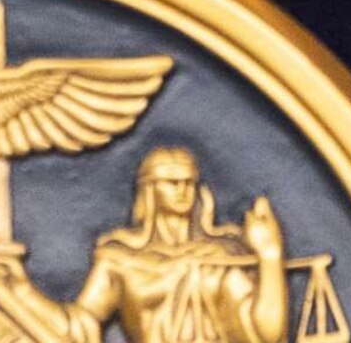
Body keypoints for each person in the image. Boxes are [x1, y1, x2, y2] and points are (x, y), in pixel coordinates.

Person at [64, 147, 287, 343]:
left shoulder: (222, 255)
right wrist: (27, 296)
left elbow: (267, 333)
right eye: (172, 182)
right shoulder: (120, 260)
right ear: (150, 188)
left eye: (189, 182)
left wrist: (270, 256)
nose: (183, 189)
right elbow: (79, 326)